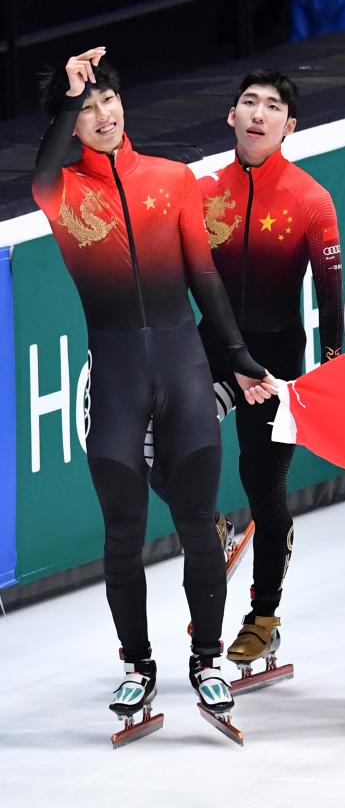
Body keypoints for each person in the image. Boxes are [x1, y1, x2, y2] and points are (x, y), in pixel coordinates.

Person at [32, 48, 277, 732]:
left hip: (183, 371)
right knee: (123, 534)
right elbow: (41, 174)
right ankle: (138, 666)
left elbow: (205, 277)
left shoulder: (172, 180)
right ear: (71, 125)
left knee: (198, 525)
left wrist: (239, 358)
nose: (103, 114)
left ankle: (207, 660)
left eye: (108, 99)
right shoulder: (62, 193)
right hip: (114, 380)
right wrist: (69, 93)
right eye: (86, 109)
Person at [193, 70, 343, 678]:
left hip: (274, 360)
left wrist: (332, 368)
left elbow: (330, 297)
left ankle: (263, 619)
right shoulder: (203, 191)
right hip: (211, 350)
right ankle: (214, 529)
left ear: (290, 125)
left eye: (273, 106)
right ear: (231, 116)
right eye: (249, 103)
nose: (259, 113)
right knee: (162, 446)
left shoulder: (311, 199)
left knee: (265, 487)